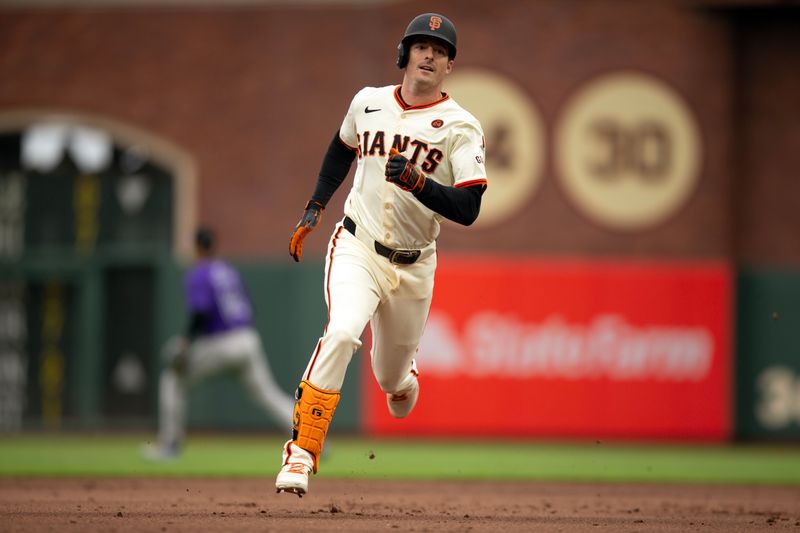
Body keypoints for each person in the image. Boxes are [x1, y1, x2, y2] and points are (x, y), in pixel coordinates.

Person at [275, 12, 488, 496]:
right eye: (421, 46)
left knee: (390, 382)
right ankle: (301, 454)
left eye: (440, 51)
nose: (429, 55)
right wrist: (315, 206)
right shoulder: (367, 102)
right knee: (343, 332)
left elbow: (470, 206)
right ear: (404, 54)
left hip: (415, 264)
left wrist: (421, 183)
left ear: (450, 66)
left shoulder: (461, 126)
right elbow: (339, 148)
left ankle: (402, 376)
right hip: (357, 245)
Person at [143, 227, 295, 460]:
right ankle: (310, 440)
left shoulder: (200, 273)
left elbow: (200, 312)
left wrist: (185, 342)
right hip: (247, 339)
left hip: (221, 342)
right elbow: (248, 305)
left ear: (197, 247)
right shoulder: (229, 271)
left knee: (172, 379)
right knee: (268, 394)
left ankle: (170, 445)